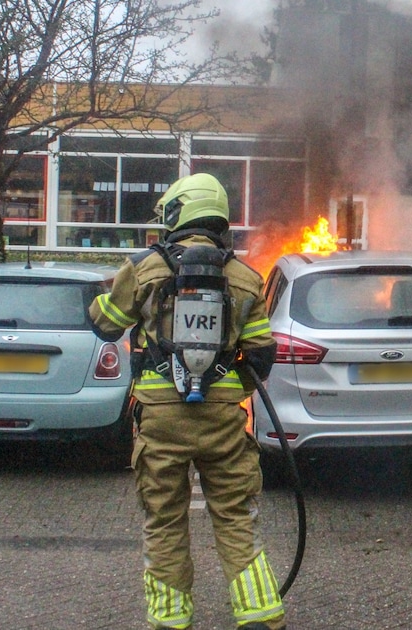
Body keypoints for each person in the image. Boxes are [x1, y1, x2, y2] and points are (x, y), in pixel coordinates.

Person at [89, 172, 285, 630]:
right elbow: (261, 355)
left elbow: (105, 324)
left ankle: (170, 619)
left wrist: (109, 294)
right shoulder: (245, 278)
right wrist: (229, 390)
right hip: (222, 420)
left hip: (160, 420)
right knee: (236, 517)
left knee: (164, 521)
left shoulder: (145, 268)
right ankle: (260, 615)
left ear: (178, 213)